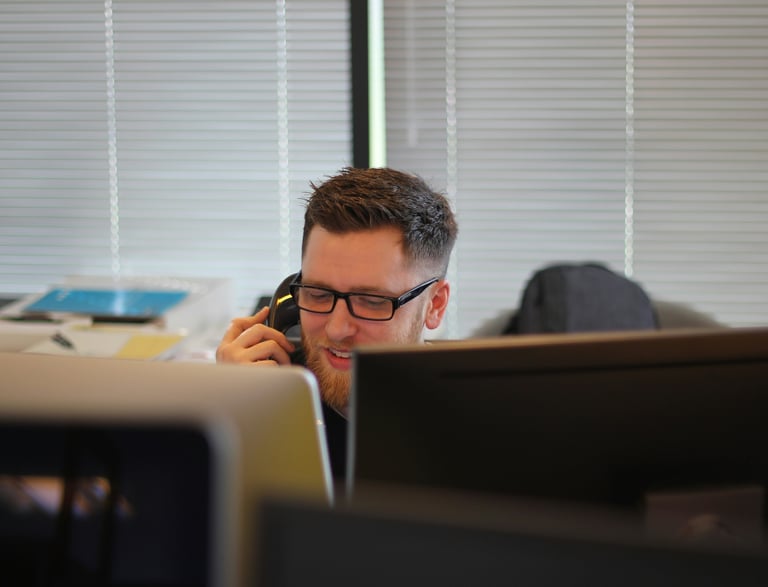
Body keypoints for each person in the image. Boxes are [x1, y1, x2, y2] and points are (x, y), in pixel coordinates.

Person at [216, 166, 458, 479]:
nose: (337, 329)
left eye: (372, 301)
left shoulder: (478, 430)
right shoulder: (263, 400)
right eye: (318, 294)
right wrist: (228, 413)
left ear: (435, 305)